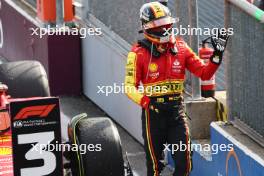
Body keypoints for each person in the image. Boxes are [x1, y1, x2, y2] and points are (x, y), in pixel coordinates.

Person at [124, 1, 229, 176]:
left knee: (185, 164)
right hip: (153, 115)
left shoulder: (181, 48)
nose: (164, 28)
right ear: (146, 27)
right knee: (155, 168)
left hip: (176, 113)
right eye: (158, 25)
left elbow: (204, 73)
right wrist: (145, 102)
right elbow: (129, 87)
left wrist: (217, 54)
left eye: (166, 23)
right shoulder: (137, 53)